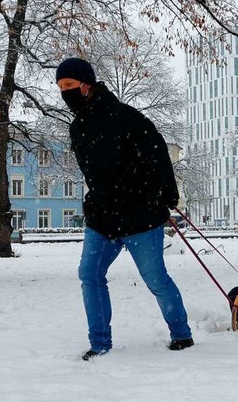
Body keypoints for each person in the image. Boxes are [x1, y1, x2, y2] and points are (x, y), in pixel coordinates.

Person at [55, 57, 193, 360]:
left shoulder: (126, 117)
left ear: (86, 84)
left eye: (69, 86)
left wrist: (168, 194)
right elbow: (92, 173)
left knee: (155, 279)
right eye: (60, 87)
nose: (64, 93)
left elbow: (158, 153)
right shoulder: (77, 128)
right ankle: (100, 343)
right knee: (89, 274)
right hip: (102, 217)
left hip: (139, 215)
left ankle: (181, 334)